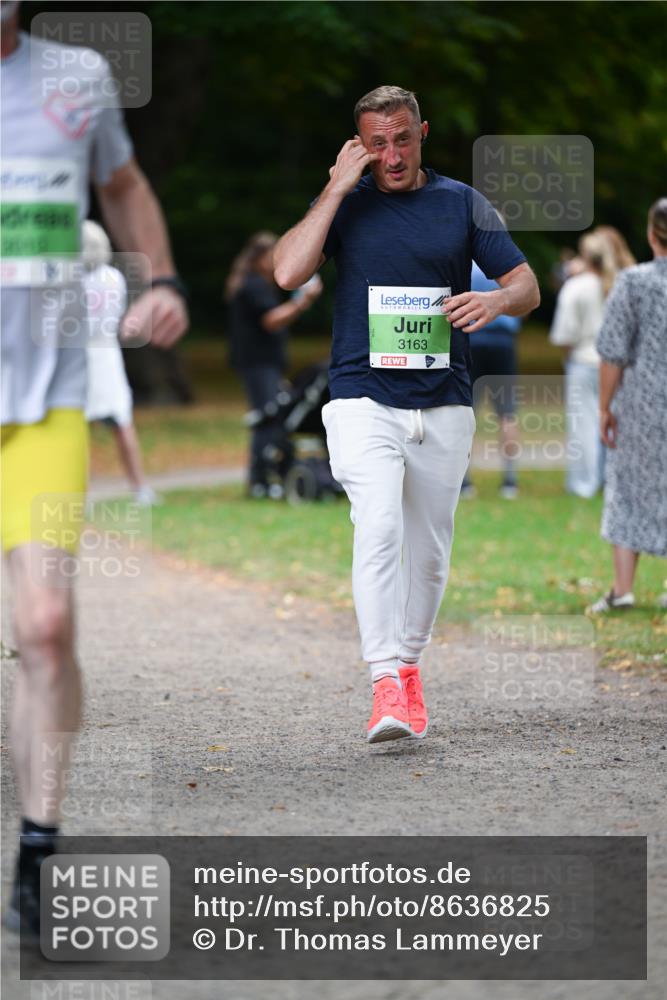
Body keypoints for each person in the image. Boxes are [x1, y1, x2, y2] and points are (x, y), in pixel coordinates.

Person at [274, 85, 539, 744]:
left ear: (422, 131)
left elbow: (527, 285)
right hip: (362, 397)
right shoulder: (347, 204)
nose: (390, 156)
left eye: (401, 139)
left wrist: (496, 305)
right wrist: (334, 188)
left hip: (443, 400)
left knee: (428, 555)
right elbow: (285, 271)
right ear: (358, 146)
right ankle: (383, 678)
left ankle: (409, 669)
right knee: (379, 524)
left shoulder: (460, 203)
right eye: (375, 144)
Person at [1, 7, 188, 936]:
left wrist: (158, 283)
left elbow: (121, 184)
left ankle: (39, 846)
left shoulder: (75, 78)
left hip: (44, 396)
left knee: (43, 623)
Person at [589, 199, 667, 613]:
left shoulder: (633, 283)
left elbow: (612, 351)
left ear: (652, 234)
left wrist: (604, 407)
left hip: (642, 402)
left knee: (628, 488)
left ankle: (622, 589)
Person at [225, 231, 322, 498]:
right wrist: (304, 300)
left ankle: (265, 479)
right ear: (258, 257)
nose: (275, 260)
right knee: (267, 417)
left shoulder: (257, 283)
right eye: (271, 255)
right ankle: (259, 482)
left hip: (262, 361)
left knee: (268, 416)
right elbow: (271, 320)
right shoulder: (254, 285)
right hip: (258, 362)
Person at [549, 228, 634, 498]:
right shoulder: (624, 284)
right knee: (617, 422)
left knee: (584, 424)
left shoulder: (576, 288)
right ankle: (614, 481)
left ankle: (584, 484)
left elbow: (564, 334)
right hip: (619, 364)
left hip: (583, 362)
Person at [83, 220, 160, 506]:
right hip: (107, 353)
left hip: (81, 356)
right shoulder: (114, 277)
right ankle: (140, 487)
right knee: (122, 424)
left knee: (81, 428)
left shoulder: (72, 279)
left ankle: (84, 491)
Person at [460, 260, 522, 500]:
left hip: (473, 339)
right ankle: (509, 480)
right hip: (504, 342)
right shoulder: (511, 267)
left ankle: (464, 482)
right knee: (508, 415)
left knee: (467, 414)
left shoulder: (466, 265)